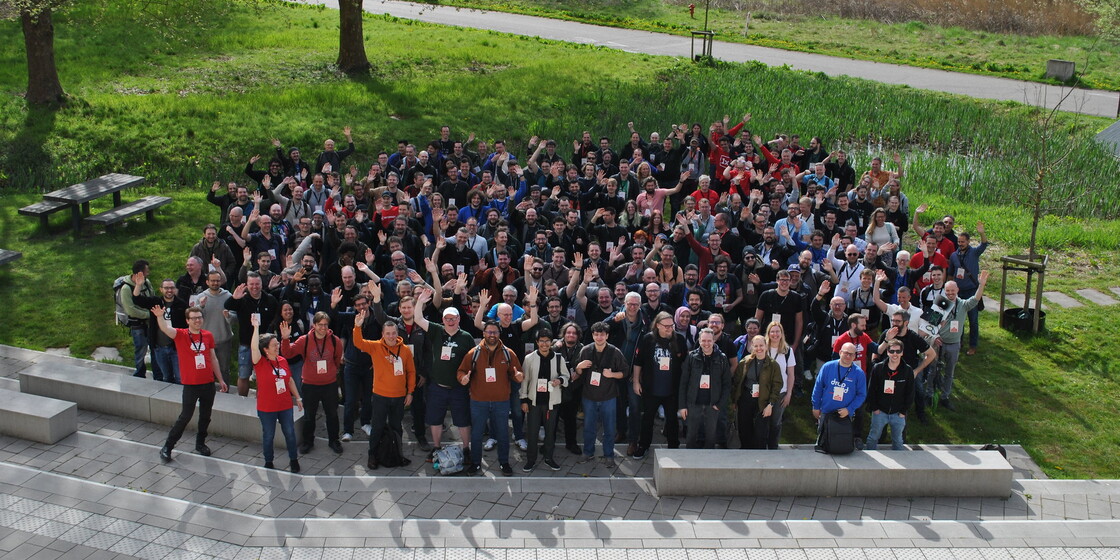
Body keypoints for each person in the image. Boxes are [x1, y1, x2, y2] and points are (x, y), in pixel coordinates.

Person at [153, 306, 229, 463]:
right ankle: (167, 446)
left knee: (205, 416)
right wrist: (160, 317)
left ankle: (200, 443)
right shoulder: (181, 335)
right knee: (185, 416)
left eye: (199, 317)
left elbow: (213, 358)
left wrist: (220, 379)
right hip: (191, 384)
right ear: (187, 321)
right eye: (194, 318)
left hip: (208, 383)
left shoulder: (207, 335)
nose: (197, 320)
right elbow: (166, 329)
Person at [351, 310, 417, 470]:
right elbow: (358, 343)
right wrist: (357, 327)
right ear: (383, 334)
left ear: (397, 333)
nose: (391, 336)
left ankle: (397, 454)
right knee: (378, 427)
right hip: (380, 395)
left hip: (399, 396)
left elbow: (411, 372)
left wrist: (410, 392)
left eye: (394, 333)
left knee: (397, 427)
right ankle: (372, 455)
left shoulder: (405, 350)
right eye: (388, 333)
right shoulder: (375, 347)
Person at [458, 320, 524, 476]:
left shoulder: (509, 353)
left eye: (495, 332)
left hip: (501, 401)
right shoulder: (473, 353)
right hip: (478, 401)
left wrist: (519, 377)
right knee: (477, 434)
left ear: (499, 334)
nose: (492, 335)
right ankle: (475, 463)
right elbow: (461, 371)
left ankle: (504, 463)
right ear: (483, 333)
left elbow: (517, 374)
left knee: (502, 433)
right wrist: (463, 379)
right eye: (489, 332)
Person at [413, 292, 475, 454]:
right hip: (438, 386)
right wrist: (419, 302)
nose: (450, 321)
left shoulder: (466, 337)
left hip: (458, 388)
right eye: (447, 318)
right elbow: (418, 319)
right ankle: (436, 446)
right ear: (443, 320)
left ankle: (466, 448)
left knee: (462, 421)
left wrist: (470, 383)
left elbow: (472, 363)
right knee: (435, 419)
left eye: (453, 318)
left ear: (458, 319)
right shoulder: (436, 331)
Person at [281, 312, 344, 455]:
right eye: (320, 325)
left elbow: (337, 359)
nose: (323, 328)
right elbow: (287, 353)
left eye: (325, 325)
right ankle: (308, 441)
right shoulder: (305, 340)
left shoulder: (335, 341)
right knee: (309, 415)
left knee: (332, 414)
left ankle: (334, 440)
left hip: (329, 384)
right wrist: (285, 338)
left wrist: (331, 372)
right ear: (313, 325)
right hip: (310, 384)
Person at [927, 270, 990, 411]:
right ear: (944, 291)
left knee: (950, 372)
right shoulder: (940, 303)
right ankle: (929, 394)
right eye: (947, 291)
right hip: (939, 344)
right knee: (933, 371)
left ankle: (945, 397)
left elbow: (975, 299)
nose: (950, 294)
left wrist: (981, 286)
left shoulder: (963, 304)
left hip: (954, 344)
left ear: (957, 291)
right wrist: (935, 337)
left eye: (952, 291)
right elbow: (929, 325)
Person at [250, 314, 303, 472]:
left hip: (285, 405)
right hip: (267, 408)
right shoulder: (260, 362)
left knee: (290, 433)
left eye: (277, 343)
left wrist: (298, 397)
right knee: (268, 436)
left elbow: (290, 380)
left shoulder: (283, 360)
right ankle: (268, 461)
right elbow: (254, 347)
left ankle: (293, 459)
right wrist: (256, 328)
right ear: (265, 349)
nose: (277, 346)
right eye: (274, 345)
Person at [632, 311, 687, 459]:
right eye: (666, 326)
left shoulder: (679, 340)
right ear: (658, 326)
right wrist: (636, 381)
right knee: (647, 419)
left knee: (672, 420)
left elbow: (685, 364)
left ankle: (673, 446)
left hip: (672, 389)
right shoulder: (648, 339)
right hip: (651, 388)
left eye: (672, 325)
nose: (670, 328)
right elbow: (638, 362)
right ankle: (643, 445)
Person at [574, 321, 628, 467]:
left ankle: (609, 454)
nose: (599, 337)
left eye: (602, 335)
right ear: (592, 335)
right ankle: (588, 452)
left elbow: (625, 372)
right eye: (596, 334)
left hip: (608, 396)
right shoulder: (585, 350)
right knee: (588, 427)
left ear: (607, 336)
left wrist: (612, 375)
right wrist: (579, 367)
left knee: (609, 428)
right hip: (589, 396)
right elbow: (577, 373)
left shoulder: (615, 352)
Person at [519, 327, 571, 471]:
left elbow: (567, 376)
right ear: (537, 342)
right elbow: (525, 380)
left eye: (547, 341)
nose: (544, 344)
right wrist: (523, 400)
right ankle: (531, 459)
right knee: (532, 432)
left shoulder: (558, 358)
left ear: (551, 342)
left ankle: (549, 457)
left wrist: (559, 380)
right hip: (534, 401)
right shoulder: (529, 358)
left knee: (550, 432)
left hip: (551, 402)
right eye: (541, 341)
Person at [225, 272, 279, 396]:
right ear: (247, 285)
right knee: (244, 375)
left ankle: (262, 398)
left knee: (264, 376)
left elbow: (276, 316)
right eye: (251, 284)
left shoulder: (270, 299)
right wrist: (234, 297)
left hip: (265, 345)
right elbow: (227, 306)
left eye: (257, 284)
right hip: (246, 344)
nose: (254, 287)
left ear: (261, 284)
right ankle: (242, 400)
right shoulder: (241, 299)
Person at [678, 328, 731, 449]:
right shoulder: (692, 357)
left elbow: (727, 384)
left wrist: (720, 404)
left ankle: (708, 462)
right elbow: (683, 383)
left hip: (713, 404)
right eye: (703, 341)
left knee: (710, 437)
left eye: (709, 341)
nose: (706, 344)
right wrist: (682, 406)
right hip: (693, 403)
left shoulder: (722, 358)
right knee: (691, 436)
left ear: (713, 341)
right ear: (699, 341)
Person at [811, 342, 867, 451]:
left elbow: (861, 395)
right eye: (846, 353)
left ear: (855, 356)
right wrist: (816, 406)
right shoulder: (827, 367)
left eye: (851, 354)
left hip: (845, 414)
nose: (848, 356)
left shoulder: (858, 373)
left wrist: (849, 409)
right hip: (826, 411)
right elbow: (817, 388)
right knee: (823, 438)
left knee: (841, 439)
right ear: (840, 352)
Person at [731, 335, 783, 449]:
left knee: (761, 432)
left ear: (766, 346)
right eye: (756, 346)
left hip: (763, 400)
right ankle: (746, 453)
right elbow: (737, 382)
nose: (759, 348)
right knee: (744, 429)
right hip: (746, 397)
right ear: (752, 347)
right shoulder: (745, 362)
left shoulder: (773, 365)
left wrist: (771, 404)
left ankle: (760, 455)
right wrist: (734, 401)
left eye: (761, 345)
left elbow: (777, 386)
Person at [864, 339, 916, 450]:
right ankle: (868, 464)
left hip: (898, 413)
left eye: (898, 351)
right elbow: (871, 390)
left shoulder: (907, 370)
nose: (895, 354)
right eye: (892, 351)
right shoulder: (878, 368)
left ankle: (899, 466)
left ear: (902, 352)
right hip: (880, 412)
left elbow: (910, 393)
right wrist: (875, 408)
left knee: (898, 440)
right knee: (873, 437)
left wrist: (903, 411)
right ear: (887, 352)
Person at [121, 260, 155, 379]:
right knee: (140, 349)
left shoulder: (147, 283)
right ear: (139, 273)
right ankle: (140, 373)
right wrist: (148, 314)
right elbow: (130, 310)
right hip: (138, 324)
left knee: (154, 347)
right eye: (146, 271)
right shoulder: (126, 288)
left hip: (150, 323)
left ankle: (157, 373)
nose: (148, 273)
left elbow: (152, 297)